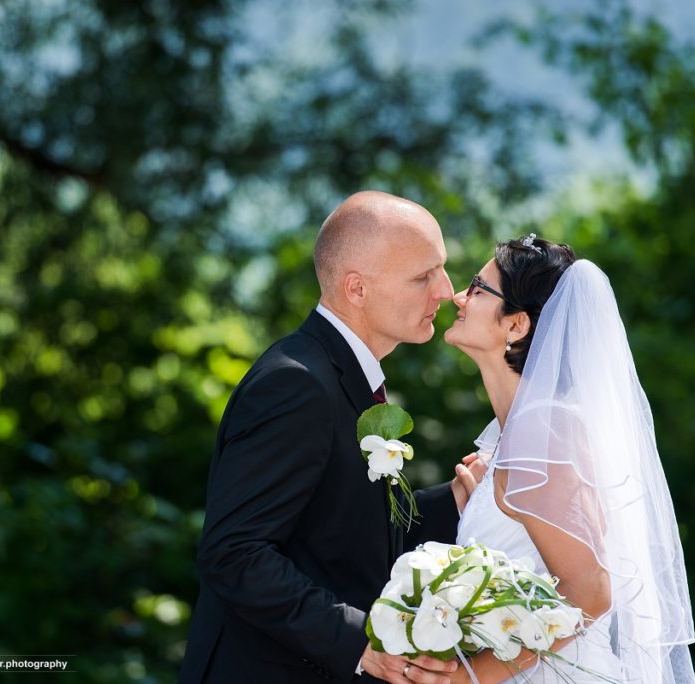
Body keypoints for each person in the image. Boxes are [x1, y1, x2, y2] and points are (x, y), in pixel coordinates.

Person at [180, 191, 486, 684]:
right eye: (422, 276)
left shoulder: (343, 376)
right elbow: (234, 552)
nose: (446, 291)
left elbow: (347, 538)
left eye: (442, 268)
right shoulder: (296, 383)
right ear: (357, 289)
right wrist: (361, 643)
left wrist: (454, 498)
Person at [442, 235, 695, 683]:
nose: (458, 297)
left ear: (516, 325)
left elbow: (592, 595)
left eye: (478, 289)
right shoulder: (518, 434)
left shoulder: (542, 431)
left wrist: (469, 676)